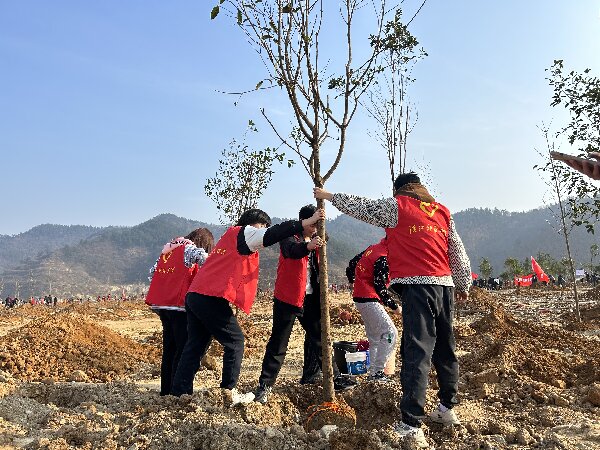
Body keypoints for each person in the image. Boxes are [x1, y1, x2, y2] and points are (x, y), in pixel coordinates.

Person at [314, 172, 471, 448]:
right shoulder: (441, 211)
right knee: (445, 348)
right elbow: (457, 250)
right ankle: (447, 407)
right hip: (444, 287)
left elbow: (363, 207)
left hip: (418, 287)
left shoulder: (399, 205)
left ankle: (411, 424)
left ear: (400, 190)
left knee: (416, 352)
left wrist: (327, 196)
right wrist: (463, 283)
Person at [170, 207, 325, 404]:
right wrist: (305, 222)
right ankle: (228, 392)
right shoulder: (246, 232)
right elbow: (275, 234)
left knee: (195, 345)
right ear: (254, 223)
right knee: (235, 342)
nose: (263, 230)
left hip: (195, 295)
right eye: (263, 225)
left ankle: (179, 394)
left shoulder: (230, 236)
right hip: (209, 297)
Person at [253, 205, 354, 404]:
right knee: (279, 343)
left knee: (320, 339)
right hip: (288, 298)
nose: (315, 228)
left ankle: (334, 378)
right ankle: (265, 386)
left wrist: (318, 235)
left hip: (311, 299)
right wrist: (308, 246)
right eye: (312, 224)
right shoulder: (289, 237)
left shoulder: (319, 238)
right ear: (304, 222)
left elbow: (324, 241)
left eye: (318, 224)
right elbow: (291, 251)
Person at [145, 228, 214, 396]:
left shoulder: (168, 251)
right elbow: (205, 260)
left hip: (163, 305)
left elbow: (152, 272)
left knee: (169, 348)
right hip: (179, 306)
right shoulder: (189, 248)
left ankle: (166, 391)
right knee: (183, 349)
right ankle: (179, 392)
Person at [346, 237, 399, 382]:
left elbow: (352, 264)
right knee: (390, 333)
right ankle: (378, 372)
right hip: (369, 299)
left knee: (375, 338)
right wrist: (394, 306)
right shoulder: (383, 256)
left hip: (361, 298)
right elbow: (379, 286)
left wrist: (353, 282)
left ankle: (373, 374)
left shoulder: (373, 248)